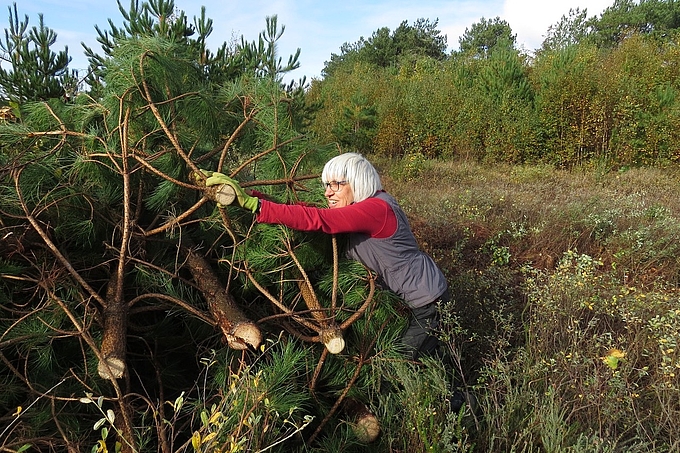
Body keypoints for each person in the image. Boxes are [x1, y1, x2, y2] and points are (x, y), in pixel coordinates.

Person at [204, 152, 450, 360]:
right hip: (410, 299)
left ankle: (460, 410)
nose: (328, 193)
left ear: (357, 181)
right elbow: (307, 213)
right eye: (326, 185)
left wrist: (254, 206)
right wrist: (253, 197)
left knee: (403, 362)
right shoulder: (361, 209)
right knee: (431, 360)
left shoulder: (377, 208)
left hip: (427, 300)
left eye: (336, 184)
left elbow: (320, 220)